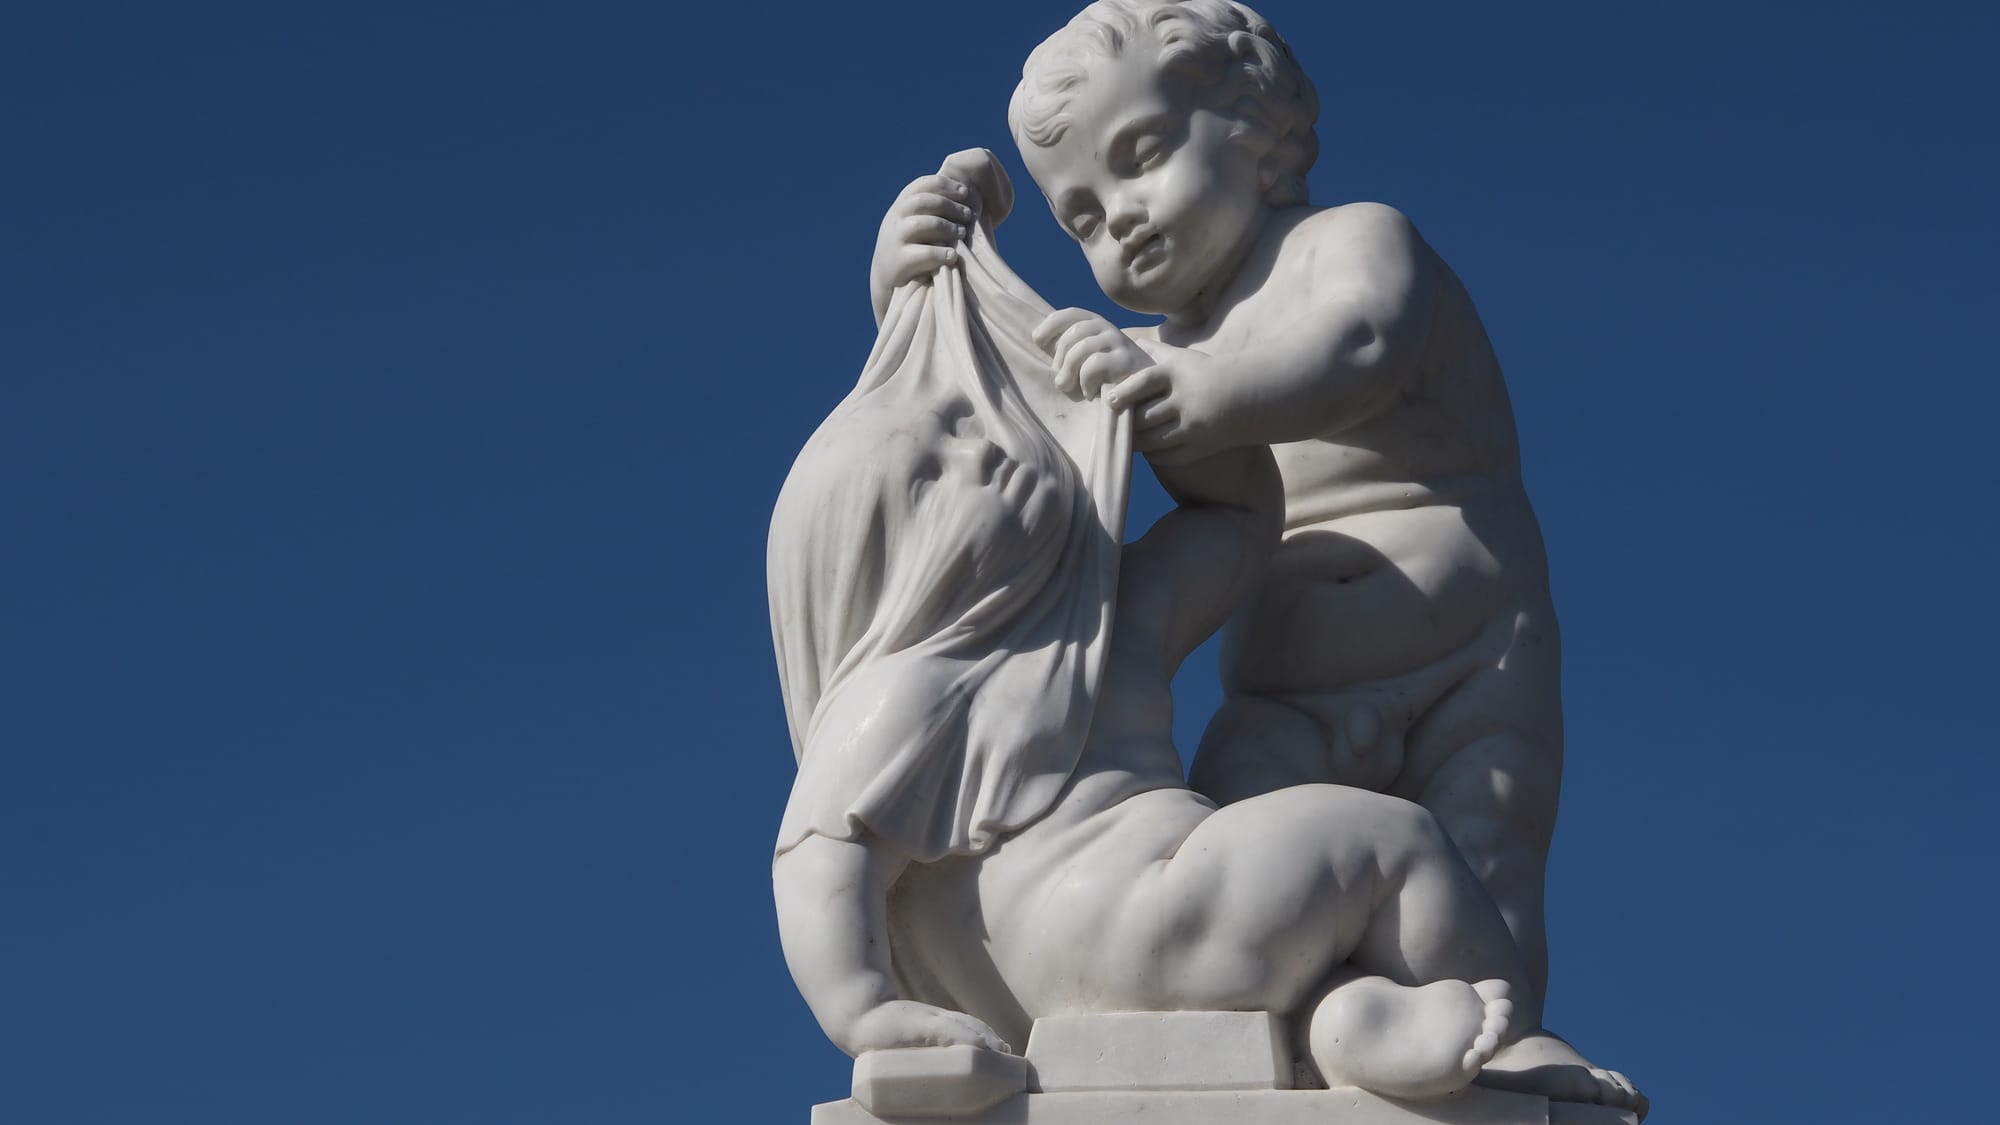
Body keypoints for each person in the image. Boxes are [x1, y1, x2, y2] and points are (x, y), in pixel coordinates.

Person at [771, 198, 1641, 1110]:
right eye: (938, 460)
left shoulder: (1093, 620)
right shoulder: (909, 688)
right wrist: (863, 1009)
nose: (981, 444)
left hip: (1145, 940)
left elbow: (1238, 517)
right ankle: (1512, 1041)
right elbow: (818, 851)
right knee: (1395, 841)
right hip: (1129, 913)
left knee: (1313, 945)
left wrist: (1142, 407)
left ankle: (1346, 1023)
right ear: (870, 566)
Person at [987, 0, 1574, 1037]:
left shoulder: (1348, 243)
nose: (1119, 216)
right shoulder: (1153, 356)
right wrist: (914, 283)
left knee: (1484, 860)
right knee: (1236, 871)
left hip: (1468, 658)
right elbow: (1001, 411)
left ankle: (1503, 1042)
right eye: (1080, 218)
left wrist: (1200, 394)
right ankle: (1354, 1029)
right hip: (1280, 696)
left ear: (1252, 121)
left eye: (1141, 155)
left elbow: (1358, 347)